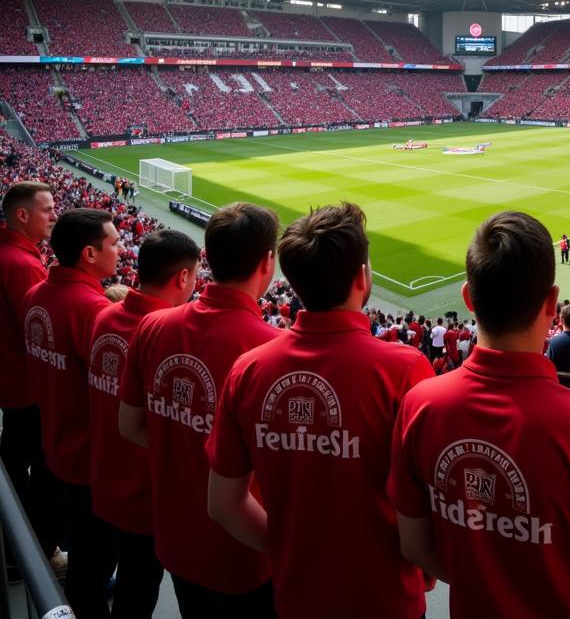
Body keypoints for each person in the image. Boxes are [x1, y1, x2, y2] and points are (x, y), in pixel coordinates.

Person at [388, 210, 570, 619]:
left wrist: (489, 578)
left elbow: (414, 546)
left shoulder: (419, 407)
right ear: (551, 302)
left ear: (468, 298)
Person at [208, 203, 434, 619]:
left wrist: (290, 549)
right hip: (385, 598)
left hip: (295, 593)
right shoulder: (404, 369)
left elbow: (223, 505)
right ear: (363, 278)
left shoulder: (249, 370)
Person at [119, 203, 281, 619]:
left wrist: (186, 442)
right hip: (245, 550)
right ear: (267, 262)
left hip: (174, 536)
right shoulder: (270, 352)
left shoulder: (154, 327)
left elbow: (130, 425)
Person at [87, 229, 200, 619]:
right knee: (138, 589)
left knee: (97, 574)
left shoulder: (103, 316)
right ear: (183, 278)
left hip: (103, 478)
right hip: (146, 496)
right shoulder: (169, 336)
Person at [23, 208, 122, 619]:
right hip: (90, 458)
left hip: (56, 440)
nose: (119, 250)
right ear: (89, 253)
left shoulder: (37, 294)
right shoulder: (93, 311)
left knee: (82, 542)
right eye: (113, 243)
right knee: (92, 557)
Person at [0, 181, 62, 574]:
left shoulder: (12, 254)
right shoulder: (22, 265)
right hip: (27, 387)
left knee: (14, 454)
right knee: (44, 468)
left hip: (11, 383)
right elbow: (39, 329)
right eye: (47, 209)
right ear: (22, 215)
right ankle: (37, 553)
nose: (54, 215)